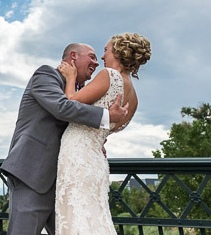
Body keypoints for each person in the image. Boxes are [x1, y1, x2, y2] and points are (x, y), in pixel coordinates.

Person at [1, 43, 129, 235]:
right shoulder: (46, 75)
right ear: (73, 56)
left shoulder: (81, 91)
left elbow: (74, 124)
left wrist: (94, 141)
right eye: (92, 57)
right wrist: (107, 117)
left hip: (66, 181)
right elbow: (62, 108)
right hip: (33, 174)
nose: (97, 62)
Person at [54, 32, 151, 235]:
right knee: (94, 217)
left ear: (118, 52)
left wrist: (70, 77)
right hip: (96, 158)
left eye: (106, 50)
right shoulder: (133, 95)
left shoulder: (109, 75)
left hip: (78, 154)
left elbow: (69, 103)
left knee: (76, 216)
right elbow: (110, 127)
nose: (103, 56)